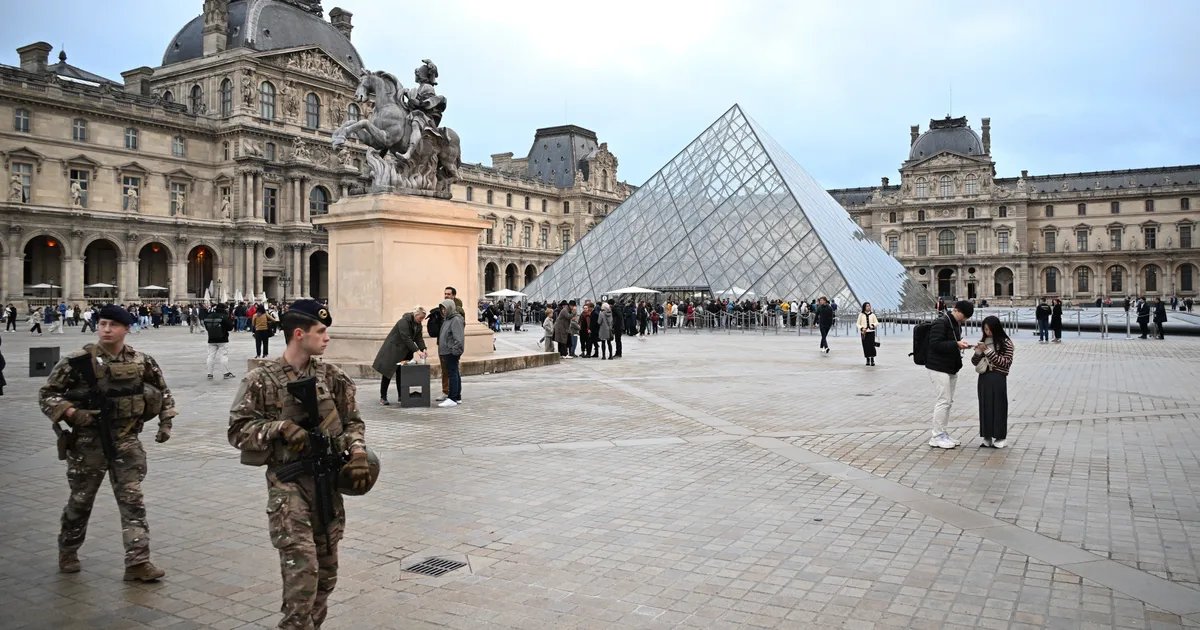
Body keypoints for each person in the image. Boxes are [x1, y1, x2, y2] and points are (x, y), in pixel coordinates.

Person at [228, 299, 372, 629]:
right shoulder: (260, 380)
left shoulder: (333, 377)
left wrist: (359, 453)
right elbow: (237, 431)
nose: (327, 338)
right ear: (298, 334)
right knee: (302, 581)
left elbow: (352, 422)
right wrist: (277, 428)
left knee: (326, 577)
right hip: (289, 489)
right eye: (321, 332)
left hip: (327, 487)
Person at [39, 304, 177, 580]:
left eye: (112, 325)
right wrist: (71, 412)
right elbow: (47, 394)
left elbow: (163, 392)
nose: (106, 329)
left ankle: (138, 562)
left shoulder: (141, 361)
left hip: (126, 441)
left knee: (133, 501)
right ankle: (68, 549)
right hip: (88, 443)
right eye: (102, 324)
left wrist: (166, 423)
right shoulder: (77, 361)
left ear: (126, 328)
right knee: (81, 500)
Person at [925, 300, 975, 449]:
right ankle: (937, 436)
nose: (964, 320)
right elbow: (934, 344)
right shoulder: (941, 322)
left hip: (950, 367)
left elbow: (950, 342)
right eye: (964, 316)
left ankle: (942, 433)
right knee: (943, 401)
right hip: (938, 367)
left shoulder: (954, 323)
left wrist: (960, 344)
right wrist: (956, 344)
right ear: (957, 310)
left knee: (948, 402)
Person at [971, 315, 1014, 448]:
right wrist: (978, 353)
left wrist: (988, 351)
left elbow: (1005, 362)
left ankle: (1001, 437)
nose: (987, 332)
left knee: (999, 406)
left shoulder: (1006, 342)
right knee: (985, 406)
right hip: (984, 377)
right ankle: (987, 436)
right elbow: (974, 362)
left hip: (998, 377)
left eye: (989, 329)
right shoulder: (983, 341)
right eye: (985, 329)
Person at [372, 307, 427, 405]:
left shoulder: (418, 325)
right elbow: (406, 338)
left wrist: (423, 348)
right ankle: (383, 397)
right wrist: (417, 351)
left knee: (401, 374)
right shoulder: (403, 322)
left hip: (405, 352)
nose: (421, 320)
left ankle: (401, 396)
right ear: (416, 315)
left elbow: (419, 338)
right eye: (421, 318)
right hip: (394, 350)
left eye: (423, 318)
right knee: (387, 373)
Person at [437, 298, 465, 407]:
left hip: (451, 352)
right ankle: (457, 397)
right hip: (447, 351)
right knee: (454, 373)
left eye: (444, 308)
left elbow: (458, 338)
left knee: (452, 374)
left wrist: (454, 350)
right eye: (442, 309)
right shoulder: (447, 319)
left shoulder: (455, 320)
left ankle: (452, 398)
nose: (443, 311)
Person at [203, 303, 235, 379]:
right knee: (223, 356)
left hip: (211, 338)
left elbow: (206, 326)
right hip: (222, 339)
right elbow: (230, 327)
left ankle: (209, 373)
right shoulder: (224, 316)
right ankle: (226, 373)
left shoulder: (209, 316)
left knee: (210, 356)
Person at [857, 302, 879, 366]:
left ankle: (872, 359)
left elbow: (877, 322)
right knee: (865, 346)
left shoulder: (873, 315)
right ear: (864, 307)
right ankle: (867, 359)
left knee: (872, 346)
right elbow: (858, 324)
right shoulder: (861, 315)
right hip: (864, 333)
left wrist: (873, 325)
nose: (868, 307)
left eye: (869, 306)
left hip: (871, 332)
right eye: (867, 306)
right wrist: (861, 328)